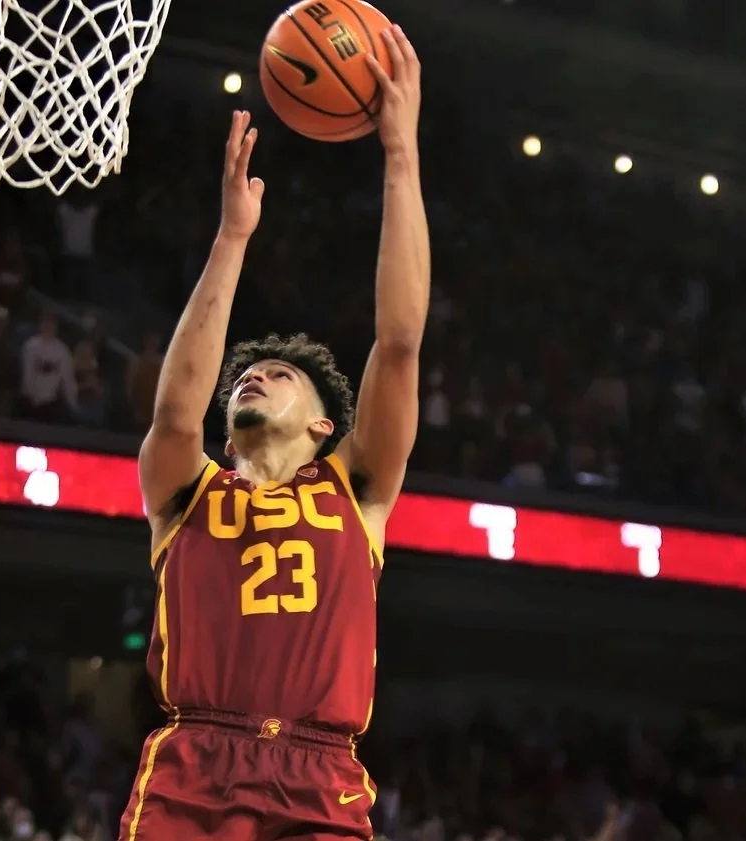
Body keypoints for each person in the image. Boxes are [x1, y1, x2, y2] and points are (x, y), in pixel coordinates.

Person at [118, 25, 428, 841]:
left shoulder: (358, 488)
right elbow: (175, 413)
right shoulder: (185, 492)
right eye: (244, 379)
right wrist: (232, 239)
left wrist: (400, 155)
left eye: (279, 375)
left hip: (320, 776)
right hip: (193, 765)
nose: (252, 378)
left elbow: (399, 341)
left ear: (327, 425)